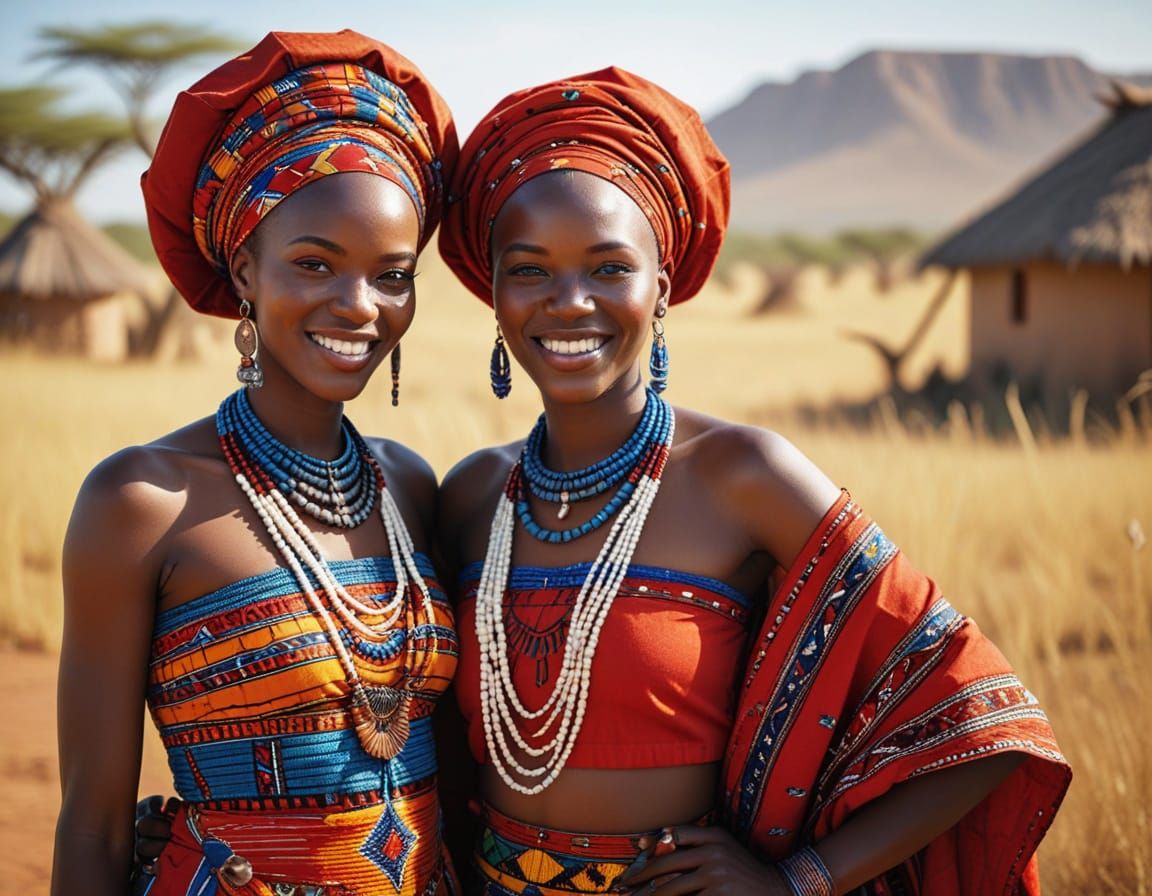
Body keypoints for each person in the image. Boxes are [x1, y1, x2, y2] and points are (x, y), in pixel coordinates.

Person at [434, 68, 1072, 895]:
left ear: (659, 288)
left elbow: (986, 717)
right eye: (529, 270)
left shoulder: (742, 475)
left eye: (607, 267)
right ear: (493, 293)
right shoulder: (474, 495)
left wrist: (800, 880)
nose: (568, 301)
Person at [53, 30, 461, 896]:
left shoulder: (412, 488)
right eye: (315, 265)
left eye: (393, 276)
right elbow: (90, 824)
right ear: (246, 269)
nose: (359, 306)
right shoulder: (142, 502)